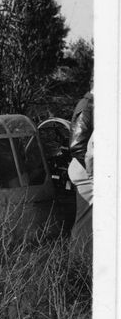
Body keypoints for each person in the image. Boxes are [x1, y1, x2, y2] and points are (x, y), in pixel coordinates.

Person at [68, 89, 93, 248]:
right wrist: (95, 172)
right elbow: (77, 146)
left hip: (87, 167)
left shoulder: (91, 104)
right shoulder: (88, 106)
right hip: (86, 170)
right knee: (86, 223)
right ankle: (79, 261)